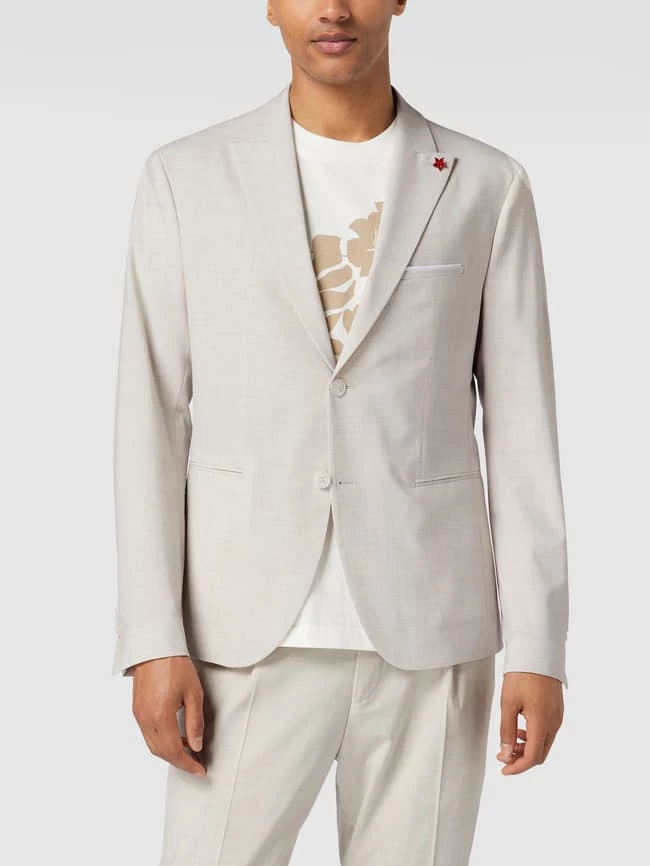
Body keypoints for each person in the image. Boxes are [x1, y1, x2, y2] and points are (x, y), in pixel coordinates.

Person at [111, 2, 569, 864]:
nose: (333, 8)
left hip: (432, 635)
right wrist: (151, 638)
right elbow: (151, 418)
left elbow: (522, 432)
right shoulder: (187, 176)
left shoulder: (484, 183)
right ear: (269, 5)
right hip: (240, 638)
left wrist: (539, 649)